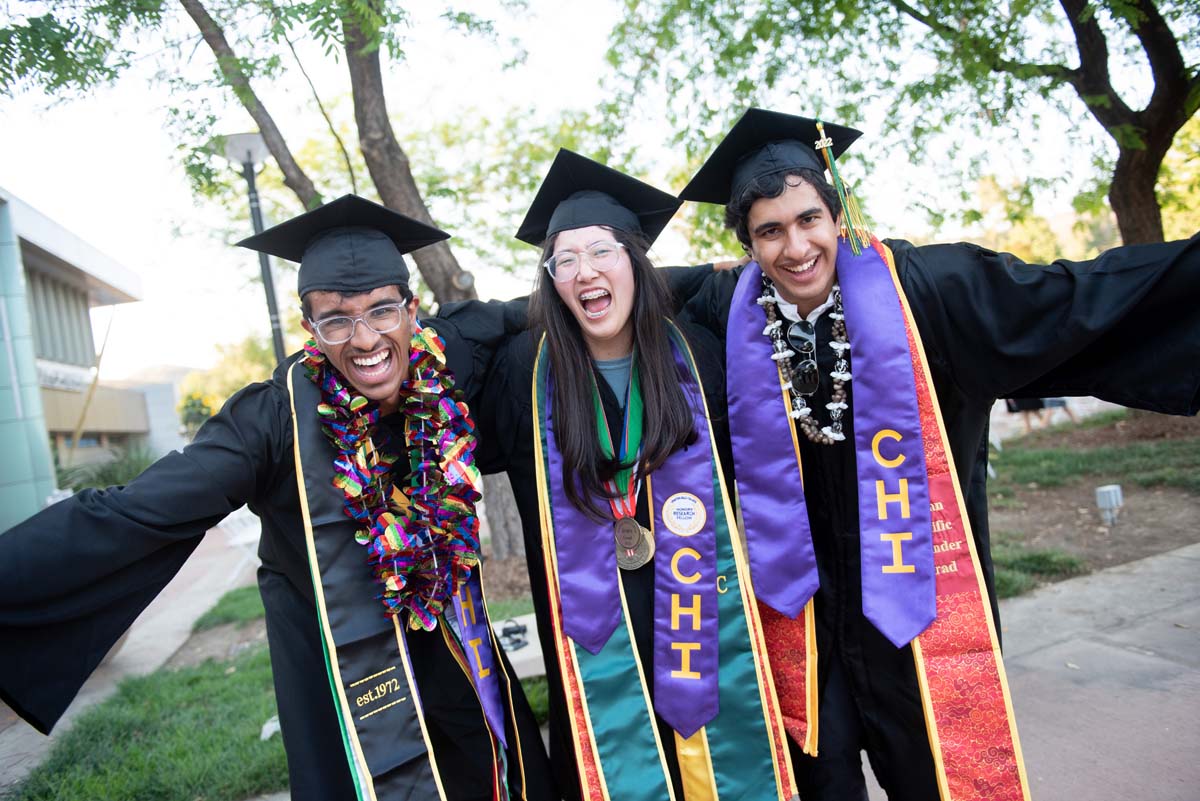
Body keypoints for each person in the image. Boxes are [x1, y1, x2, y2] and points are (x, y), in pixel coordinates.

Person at [675, 107, 1200, 801]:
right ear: (746, 245)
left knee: (940, 781)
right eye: (769, 230)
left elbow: (1076, 300)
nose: (795, 246)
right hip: (806, 624)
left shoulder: (930, 289)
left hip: (917, 616)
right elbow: (634, 289)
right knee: (820, 781)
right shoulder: (729, 305)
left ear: (838, 217)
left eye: (809, 220)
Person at [0, 195, 553, 801]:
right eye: (336, 319)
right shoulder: (271, 420)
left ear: (410, 310)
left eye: (382, 311)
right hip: (344, 668)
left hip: (451, 640)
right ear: (309, 327)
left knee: (493, 771)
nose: (365, 337)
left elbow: (546, 307)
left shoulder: (447, 357)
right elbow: (135, 512)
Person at [474, 149, 799, 800]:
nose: (585, 271)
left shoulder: (699, 355)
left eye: (602, 251)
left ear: (634, 260)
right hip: (594, 654)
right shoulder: (520, 376)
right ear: (551, 280)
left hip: (703, 619)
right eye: (564, 260)